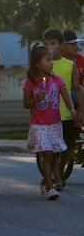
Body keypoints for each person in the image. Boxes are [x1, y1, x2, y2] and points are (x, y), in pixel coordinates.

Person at [23, 43, 75, 200]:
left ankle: (47, 181)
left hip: (55, 124)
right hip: (39, 125)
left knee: (56, 153)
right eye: (47, 60)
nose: (51, 63)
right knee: (47, 155)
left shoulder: (56, 79)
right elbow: (25, 104)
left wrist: (72, 109)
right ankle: (51, 188)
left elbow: (66, 96)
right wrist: (36, 99)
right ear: (37, 63)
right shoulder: (30, 82)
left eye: (51, 60)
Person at [42, 29, 84, 188]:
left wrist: (81, 111)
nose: (49, 47)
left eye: (53, 43)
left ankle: (56, 172)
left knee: (68, 149)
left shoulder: (69, 65)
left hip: (65, 115)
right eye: (46, 44)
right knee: (51, 151)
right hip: (48, 116)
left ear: (61, 45)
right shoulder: (43, 65)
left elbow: (77, 89)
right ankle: (55, 178)